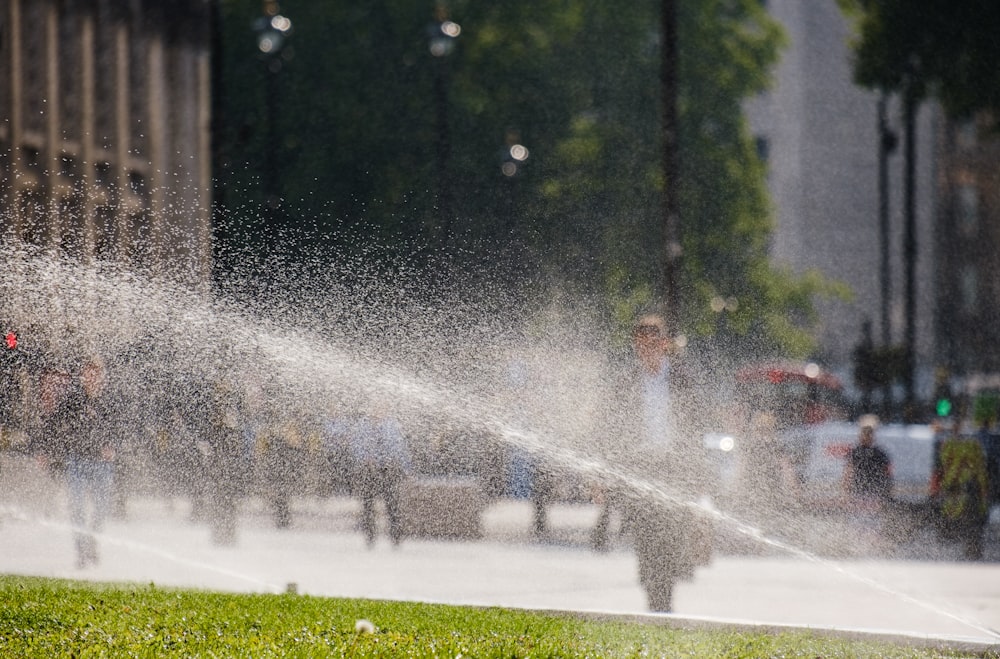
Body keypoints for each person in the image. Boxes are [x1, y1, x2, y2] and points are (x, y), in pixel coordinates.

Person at [618, 313, 708, 612]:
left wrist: (698, 474)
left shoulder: (681, 379)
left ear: (663, 344)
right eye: (641, 346)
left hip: (674, 468)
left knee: (670, 533)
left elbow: (696, 428)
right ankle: (654, 597)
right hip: (641, 469)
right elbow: (608, 427)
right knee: (645, 535)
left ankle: (664, 599)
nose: (647, 351)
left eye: (653, 345)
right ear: (635, 345)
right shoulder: (626, 381)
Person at [43, 357, 118, 568]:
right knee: (76, 508)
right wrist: (45, 450)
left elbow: (122, 428)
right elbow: (52, 424)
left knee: (101, 509)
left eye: (95, 374)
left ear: (102, 376)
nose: (91, 378)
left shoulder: (110, 401)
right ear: (83, 376)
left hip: (102, 464)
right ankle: (81, 552)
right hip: (77, 461)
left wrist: (113, 446)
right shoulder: (73, 400)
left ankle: (91, 542)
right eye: (87, 373)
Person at [348, 408, 412, 547]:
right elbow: (355, 446)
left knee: (392, 504)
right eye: (375, 405)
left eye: (381, 405)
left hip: (388, 470)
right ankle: (370, 535)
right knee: (368, 504)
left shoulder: (392, 426)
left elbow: (400, 447)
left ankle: (395, 536)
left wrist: (402, 466)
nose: (377, 410)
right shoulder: (362, 425)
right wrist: (364, 458)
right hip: (369, 470)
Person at [933, 420, 990, 559]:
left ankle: (956, 546)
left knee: (954, 519)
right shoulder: (973, 445)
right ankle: (970, 550)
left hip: (958, 488)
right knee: (971, 523)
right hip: (967, 489)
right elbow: (980, 469)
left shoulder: (950, 445)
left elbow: (943, 465)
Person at [841, 415, 892, 548]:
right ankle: (857, 545)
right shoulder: (858, 452)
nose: (866, 436)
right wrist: (846, 492)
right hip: (859, 494)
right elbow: (848, 472)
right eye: (865, 433)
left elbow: (888, 475)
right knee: (858, 521)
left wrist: (885, 494)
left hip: (872, 495)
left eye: (868, 434)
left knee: (871, 522)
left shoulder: (879, 453)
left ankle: (869, 546)